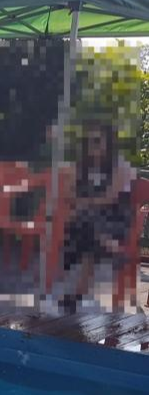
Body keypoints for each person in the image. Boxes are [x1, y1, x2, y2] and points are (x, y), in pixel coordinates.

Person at [61, 122, 136, 312]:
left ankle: (104, 243)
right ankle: (106, 244)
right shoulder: (82, 165)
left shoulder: (119, 166)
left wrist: (82, 203)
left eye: (97, 140)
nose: (92, 145)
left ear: (108, 142)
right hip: (90, 218)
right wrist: (84, 202)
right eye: (89, 141)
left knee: (83, 225)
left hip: (115, 217)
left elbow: (110, 198)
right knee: (85, 229)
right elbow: (68, 193)